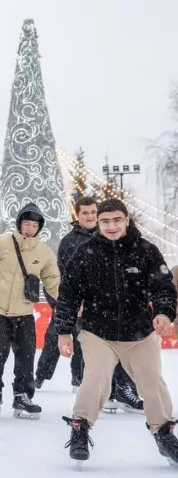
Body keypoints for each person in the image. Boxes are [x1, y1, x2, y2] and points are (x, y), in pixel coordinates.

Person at [56, 199, 178, 465]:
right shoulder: (85, 253)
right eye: (105, 221)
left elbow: (163, 287)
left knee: (152, 382)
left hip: (140, 333)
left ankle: (164, 433)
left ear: (126, 220)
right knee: (96, 376)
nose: (111, 226)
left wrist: (163, 312)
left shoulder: (146, 250)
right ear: (97, 223)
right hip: (98, 332)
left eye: (117, 220)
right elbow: (67, 294)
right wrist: (64, 331)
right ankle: (80, 428)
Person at [0, 203, 59, 420]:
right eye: (26, 223)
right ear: (20, 223)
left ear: (39, 227)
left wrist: (69, 302)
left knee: (26, 356)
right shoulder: (1, 243)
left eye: (34, 225)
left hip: (23, 312)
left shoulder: (44, 252)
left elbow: (53, 281)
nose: (30, 228)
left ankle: (22, 395)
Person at [35, 197, 93, 392]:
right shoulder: (70, 241)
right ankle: (41, 375)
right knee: (54, 338)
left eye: (93, 212)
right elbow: (60, 275)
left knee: (83, 343)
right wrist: (62, 303)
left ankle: (78, 379)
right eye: (85, 213)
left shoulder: (103, 237)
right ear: (78, 215)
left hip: (94, 303)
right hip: (69, 301)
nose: (90, 216)